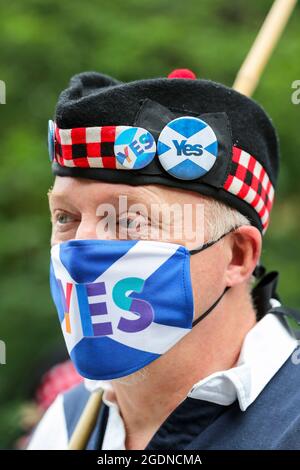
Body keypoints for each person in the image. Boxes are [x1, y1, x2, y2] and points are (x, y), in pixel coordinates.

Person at [28, 68, 300, 450]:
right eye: (66, 218)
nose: (81, 247)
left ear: (238, 255)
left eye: (129, 220)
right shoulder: (64, 425)